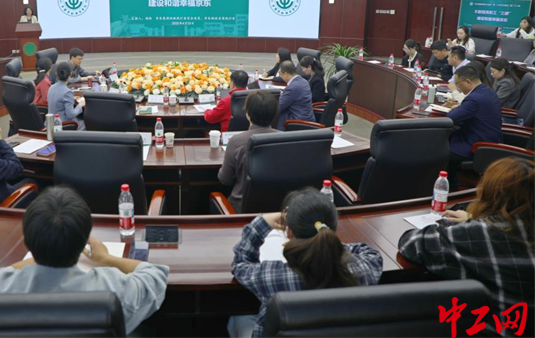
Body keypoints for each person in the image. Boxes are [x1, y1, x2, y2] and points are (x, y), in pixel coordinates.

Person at [0, 186, 169, 335]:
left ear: (27, 241)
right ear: (84, 240)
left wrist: (43, 252)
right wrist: (107, 258)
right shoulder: (113, 287)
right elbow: (155, 274)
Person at [399, 157, 533, 336]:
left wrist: (472, 222)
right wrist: (473, 219)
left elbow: (410, 243)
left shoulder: (481, 235)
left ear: (488, 194)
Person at [230, 187, 383, 338]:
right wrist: (329, 247)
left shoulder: (272, 276)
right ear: (331, 230)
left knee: (239, 318)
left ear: (289, 232)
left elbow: (240, 263)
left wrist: (261, 222)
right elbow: (371, 254)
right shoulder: (362, 270)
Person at [218, 90, 280, 213]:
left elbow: (225, 179)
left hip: (241, 209)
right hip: (276, 208)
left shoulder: (236, 141)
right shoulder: (285, 139)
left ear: (247, 114)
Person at [446, 65, 502, 184]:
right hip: (484, 138)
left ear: (468, 82)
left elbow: (450, 118)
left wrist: (456, 109)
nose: (458, 87)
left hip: (477, 144)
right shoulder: (486, 91)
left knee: (440, 151)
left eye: (458, 83)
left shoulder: (474, 99)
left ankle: (449, 185)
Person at [277, 60, 314, 130]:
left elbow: (279, 107)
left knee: (275, 114)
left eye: (280, 74)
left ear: (285, 74)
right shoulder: (304, 81)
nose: (281, 77)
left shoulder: (292, 88)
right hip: (308, 119)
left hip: (298, 123)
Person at [48, 62, 85, 130]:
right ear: (70, 74)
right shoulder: (67, 92)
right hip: (63, 125)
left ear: (56, 73)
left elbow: (58, 100)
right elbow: (71, 114)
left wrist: (71, 98)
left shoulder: (51, 87)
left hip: (50, 123)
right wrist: (80, 105)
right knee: (84, 123)